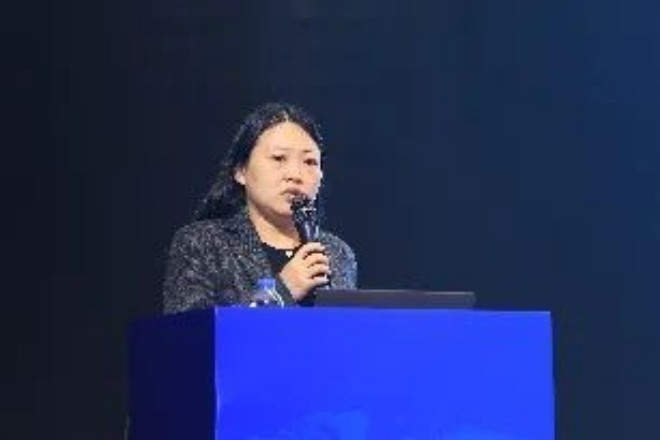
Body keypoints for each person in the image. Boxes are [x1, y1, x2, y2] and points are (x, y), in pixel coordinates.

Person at [163, 102, 357, 313]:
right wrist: (280, 293)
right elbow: (192, 329)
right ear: (241, 171)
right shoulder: (203, 243)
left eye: (309, 162)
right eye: (279, 158)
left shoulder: (337, 252)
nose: (295, 174)